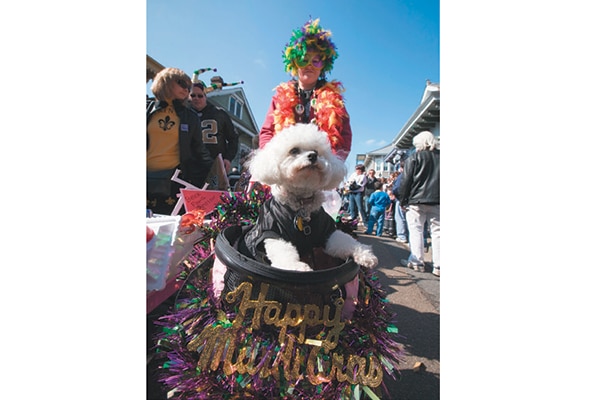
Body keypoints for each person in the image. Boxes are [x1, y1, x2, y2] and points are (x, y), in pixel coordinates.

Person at [259, 18, 352, 161]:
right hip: (287, 169)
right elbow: (267, 132)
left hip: (321, 171)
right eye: (303, 59)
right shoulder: (279, 98)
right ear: (294, 64)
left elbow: (344, 137)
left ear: (323, 66)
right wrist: (272, 161)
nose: (310, 65)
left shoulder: (335, 100)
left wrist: (332, 165)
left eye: (316, 61)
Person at [147, 67, 213, 215]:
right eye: (181, 83)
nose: (186, 89)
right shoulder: (146, 109)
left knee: (165, 230)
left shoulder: (191, 117)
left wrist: (215, 176)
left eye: (188, 86)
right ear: (165, 82)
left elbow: (199, 151)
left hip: (173, 182)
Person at [396, 131, 440, 277]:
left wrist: (403, 200)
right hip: (438, 199)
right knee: (438, 232)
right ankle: (439, 265)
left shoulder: (414, 158)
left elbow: (406, 181)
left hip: (416, 200)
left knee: (416, 230)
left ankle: (417, 261)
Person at [188, 81, 239, 174]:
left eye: (200, 96)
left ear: (205, 96)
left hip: (214, 165)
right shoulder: (185, 114)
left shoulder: (219, 113)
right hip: (190, 166)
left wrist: (228, 158)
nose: (196, 98)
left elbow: (233, 138)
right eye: (193, 95)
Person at [391, 162, 409, 244]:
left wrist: (398, 197)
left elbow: (396, 188)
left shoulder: (402, 175)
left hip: (402, 199)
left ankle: (402, 236)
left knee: (400, 218)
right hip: (413, 200)